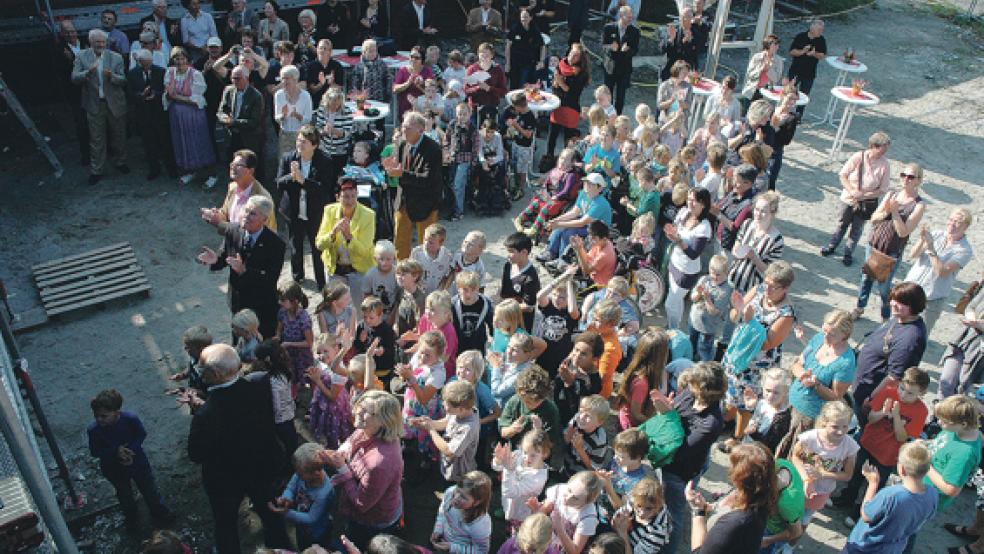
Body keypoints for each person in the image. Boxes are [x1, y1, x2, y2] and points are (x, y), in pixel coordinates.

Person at [187, 344, 290, 552]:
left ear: (215, 374)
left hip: (225, 479)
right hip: (261, 467)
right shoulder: (260, 383)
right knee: (271, 515)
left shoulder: (206, 415)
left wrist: (200, 410)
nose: (199, 372)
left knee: (225, 525)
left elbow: (196, 454)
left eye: (201, 369)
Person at [648, 362, 725, 554]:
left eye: (693, 383)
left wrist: (665, 414)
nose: (688, 386)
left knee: (673, 515)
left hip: (679, 471)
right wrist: (669, 408)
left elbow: (680, 450)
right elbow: (677, 408)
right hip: (673, 461)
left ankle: (669, 550)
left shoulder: (710, 423)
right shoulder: (692, 394)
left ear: (704, 390)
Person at [322, 390, 404, 548]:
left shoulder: (380, 463)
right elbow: (352, 440)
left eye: (367, 411)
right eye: (361, 406)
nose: (358, 411)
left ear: (385, 420)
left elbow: (361, 504)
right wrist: (343, 450)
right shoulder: (368, 429)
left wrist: (342, 469)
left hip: (373, 521)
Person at [197, 195, 286, 339]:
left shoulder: (275, 244)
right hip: (238, 303)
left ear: (265, 219)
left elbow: (270, 279)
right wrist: (215, 261)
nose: (246, 216)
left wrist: (245, 271)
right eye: (246, 211)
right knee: (238, 345)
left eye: (252, 213)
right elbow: (224, 256)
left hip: (261, 307)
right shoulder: (233, 230)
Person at [88, 389, 174, 523]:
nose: (99, 419)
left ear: (117, 412)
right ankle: (132, 520)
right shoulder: (94, 431)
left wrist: (130, 450)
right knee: (125, 496)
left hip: (138, 463)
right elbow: (95, 451)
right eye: (96, 415)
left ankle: (161, 514)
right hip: (114, 469)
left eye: (104, 416)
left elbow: (141, 434)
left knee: (150, 491)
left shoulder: (130, 419)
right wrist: (115, 451)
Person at [853, 163, 925, 322]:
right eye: (903, 175)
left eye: (910, 176)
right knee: (866, 278)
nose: (906, 179)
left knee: (884, 287)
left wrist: (893, 212)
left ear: (918, 180)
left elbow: (904, 232)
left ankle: (885, 316)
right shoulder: (892, 194)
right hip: (875, 243)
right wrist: (886, 210)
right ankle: (859, 307)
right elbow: (874, 219)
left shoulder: (918, 205)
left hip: (892, 249)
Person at [843, 441, 937, 554]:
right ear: (927, 470)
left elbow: (866, 515)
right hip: (894, 549)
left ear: (902, 469)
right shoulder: (932, 493)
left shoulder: (891, 495)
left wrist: (873, 484)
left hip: (866, 547)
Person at [850, 282, 928, 417]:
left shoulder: (910, 339)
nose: (892, 303)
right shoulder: (900, 318)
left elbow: (894, 378)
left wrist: (871, 401)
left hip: (869, 394)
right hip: (862, 384)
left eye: (900, 302)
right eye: (893, 299)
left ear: (914, 306)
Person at [686, 442, 777, 554]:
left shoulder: (737, 522)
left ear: (741, 476)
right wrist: (705, 506)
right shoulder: (758, 496)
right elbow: (722, 509)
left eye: (734, 465)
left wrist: (698, 512)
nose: (730, 470)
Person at [821, 132, 893, 266]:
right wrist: (852, 191)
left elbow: (883, 189)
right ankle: (832, 246)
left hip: (866, 203)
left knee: (857, 229)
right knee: (841, 223)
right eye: (882, 150)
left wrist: (864, 195)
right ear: (873, 146)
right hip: (848, 199)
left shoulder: (885, 165)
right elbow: (843, 175)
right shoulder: (858, 157)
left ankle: (848, 253)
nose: (883, 153)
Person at [275, 125, 332, 289]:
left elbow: (324, 189)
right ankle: (297, 276)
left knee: (317, 247)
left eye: (304, 142)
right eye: (299, 140)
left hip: (315, 211)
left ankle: (321, 281)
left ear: (314, 145)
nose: (299, 144)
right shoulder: (288, 158)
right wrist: (292, 177)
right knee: (295, 244)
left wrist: (304, 181)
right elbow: (278, 183)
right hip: (293, 210)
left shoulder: (324, 161)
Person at [72, 29, 129, 186]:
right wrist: (87, 73)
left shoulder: (115, 57)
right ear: (91, 42)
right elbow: (74, 77)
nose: (101, 45)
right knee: (96, 139)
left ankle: (121, 162)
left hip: (115, 103)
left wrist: (112, 77)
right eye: (98, 42)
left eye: (103, 42)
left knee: (119, 135)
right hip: (94, 104)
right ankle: (97, 170)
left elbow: (123, 80)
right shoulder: (82, 56)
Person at [903, 208, 974, 334]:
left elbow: (942, 272)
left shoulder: (964, 250)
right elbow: (913, 254)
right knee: (896, 326)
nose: (952, 224)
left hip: (931, 298)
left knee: (918, 334)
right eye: (951, 220)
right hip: (910, 288)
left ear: (966, 226)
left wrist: (931, 248)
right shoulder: (936, 234)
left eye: (957, 222)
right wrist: (922, 240)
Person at [385, 111, 444, 260]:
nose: (403, 130)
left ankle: (427, 273)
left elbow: (428, 179)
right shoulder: (401, 143)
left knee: (428, 243)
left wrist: (402, 174)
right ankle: (402, 273)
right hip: (403, 200)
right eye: (403, 126)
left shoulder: (434, 149)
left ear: (421, 130)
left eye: (408, 127)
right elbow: (397, 166)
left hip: (426, 203)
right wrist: (390, 169)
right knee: (400, 241)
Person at [315, 179, 377, 306]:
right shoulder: (329, 211)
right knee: (336, 308)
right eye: (345, 197)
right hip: (335, 269)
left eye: (353, 196)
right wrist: (332, 234)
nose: (350, 201)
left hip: (358, 270)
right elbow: (319, 244)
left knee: (359, 310)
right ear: (337, 197)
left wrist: (349, 237)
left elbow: (364, 252)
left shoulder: (368, 215)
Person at [164, 46, 216, 184]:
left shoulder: (195, 74)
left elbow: (196, 99)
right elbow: (168, 94)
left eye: (182, 58)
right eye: (177, 59)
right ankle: (190, 171)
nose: (180, 61)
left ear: (187, 59)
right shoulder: (169, 73)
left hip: (193, 115)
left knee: (199, 142)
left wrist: (177, 97)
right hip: (176, 115)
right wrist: (173, 96)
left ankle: (210, 174)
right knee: (182, 143)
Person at [269, 442, 334, 549]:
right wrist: (286, 498)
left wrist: (287, 513)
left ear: (316, 473)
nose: (296, 474)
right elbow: (291, 487)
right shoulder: (302, 473)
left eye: (300, 473)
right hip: (301, 524)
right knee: (302, 545)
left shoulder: (323, 493)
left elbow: (311, 518)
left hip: (318, 531)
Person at [664, 188, 713, 329]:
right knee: (676, 302)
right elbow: (675, 229)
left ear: (703, 204)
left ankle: (672, 330)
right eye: (689, 199)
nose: (690, 203)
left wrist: (678, 240)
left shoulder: (704, 227)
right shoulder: (684, 212)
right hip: (674, 262)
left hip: (686, 271)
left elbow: (694, 253)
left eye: (694, 200)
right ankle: (674, 325)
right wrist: (671, 232)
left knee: (670, 303)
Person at [537, 173, 612, 264]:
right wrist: (556, 220)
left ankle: (562, 260)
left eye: (591, 184)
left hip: (598, 230)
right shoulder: (583, 194)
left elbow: (582, 222)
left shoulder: (600, 203)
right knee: (560, 228)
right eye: (586, 182)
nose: (586, 185)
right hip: (588, 224)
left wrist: (558, 224)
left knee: (569, 233)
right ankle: (550, 252)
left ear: (599, 188)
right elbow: (574, 212)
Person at [127, 49, 177, 181]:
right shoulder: (132, 74)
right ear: (139, 62)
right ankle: (154, 169)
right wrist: (141, 95)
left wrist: (156, 94)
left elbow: (167, 90)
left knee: (166, 142)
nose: (146, 66)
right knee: (149, 143)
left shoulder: (160, 71)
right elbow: (129, 94)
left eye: (148, 63)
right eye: (144, 64)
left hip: (159, 112)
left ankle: (171, 168)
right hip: (143, 114)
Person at [729, 191, 784, 294]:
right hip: (732, 277)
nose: (758, 214)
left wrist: (754, 257)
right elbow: (735, 249)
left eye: (763, 211)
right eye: (757, 209)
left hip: (751, 288)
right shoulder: (747, 224)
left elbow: (769, 271)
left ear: (773, 213)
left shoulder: (776, 240)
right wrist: (738, 252)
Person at [544, 43, 591, 164]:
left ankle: (567, 162)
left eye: (575, 56)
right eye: (571, 53)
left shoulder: (581, 73)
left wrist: (560, 82)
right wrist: (556, 83)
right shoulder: (562, 64)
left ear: (580, 59)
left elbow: (572, 93)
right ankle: (549, 158)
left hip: (571, 108)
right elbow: (556, 85)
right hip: (558, 105)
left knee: (568, 139)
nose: (571, 57)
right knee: (552, 135)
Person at [939, 280, 984, 397]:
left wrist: (978, 325)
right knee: (946, 381)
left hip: (979, 351)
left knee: (964, 389)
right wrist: (971, 317)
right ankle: (938, 412)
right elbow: (971, 306)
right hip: (963, 338)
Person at [217, 66, 265, 177]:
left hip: (249, 137)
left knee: (251, 167)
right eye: (233, 78)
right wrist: (223, 118)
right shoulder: (228, 90)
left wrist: (233, 122)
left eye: (238, 78)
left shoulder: (256, 96)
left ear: (247, 78)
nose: (234, 81)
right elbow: (221, 110)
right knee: (233, 163)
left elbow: (254, 122)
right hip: (232, 135)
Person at [432, 471, 493, 552]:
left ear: (477, 502)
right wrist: (438, 529)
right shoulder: (450, 492)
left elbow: (481, 551)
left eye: (463, 497)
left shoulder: (480, 524)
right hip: (445, 541)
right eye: (457, 490)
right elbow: (443, 511)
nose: (456, 498)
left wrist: (452, 548)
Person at [602, 6, 639, 115]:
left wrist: (627, 51)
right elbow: (603, 46)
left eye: (631, 17)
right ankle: (606, 117)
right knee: (608, 95)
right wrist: (610, 47)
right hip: (610, 68)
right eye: (628, 17)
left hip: (624, 69)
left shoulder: (635, 31)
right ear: (621, 16)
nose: (630, 19)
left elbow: (635, 50)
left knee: (620, 97)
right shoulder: (608, 28)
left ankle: (617, 118)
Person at [313, 87, 353, 187]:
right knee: (325, 178)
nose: (335, 106)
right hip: (325, 150)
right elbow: (318, 127)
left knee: (337, 178)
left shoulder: (346, 111)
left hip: (340, 151)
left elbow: (348, 132)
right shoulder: (322, 109)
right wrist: (323, 131)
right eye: (332, 103)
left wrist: (335, 131)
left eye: (337, 103)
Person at [787, 19, 826, 116]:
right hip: (795, 71)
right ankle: (785, 112)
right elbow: (791, 52)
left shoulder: (821, 40)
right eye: (819, 30)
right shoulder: (800, 37)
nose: (821, 32)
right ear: (812, 27)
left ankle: (798, 116)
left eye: (822, 30)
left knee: (804, 96)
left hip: (809, 73)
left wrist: (814, 54)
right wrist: (802, 52)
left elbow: (823, 55)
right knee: (789, 93)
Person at [464, 42, 508, 125]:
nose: (484, 57)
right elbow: (466, 91)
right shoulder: (472, 69)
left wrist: (489, 88)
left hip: (492, 108)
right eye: (482, 54)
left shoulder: (497, 70)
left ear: (492, 56)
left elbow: (503, 92)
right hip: (475, 108)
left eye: (487, 55)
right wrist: (477, 88)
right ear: (478, 55)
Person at [273, 65, 313, 157]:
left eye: (287, 78)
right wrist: (283, 115)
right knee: (284, 162)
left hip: (301, 135)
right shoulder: (278, 95)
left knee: (300, 161)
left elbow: (308, 119)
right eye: (282, 78)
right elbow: (276, 118)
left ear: (295, 80)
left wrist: (297, 116)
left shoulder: (305, 96)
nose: (284, 81)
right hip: (285, 135)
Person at [506, 8, 547, 89]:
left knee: (524, 85)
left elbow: (542, 45)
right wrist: (507, 63)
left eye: (526, 17)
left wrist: (542, 61)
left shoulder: (535, 29)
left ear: (531, 17)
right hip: (515, 62)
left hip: (529, 63)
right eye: (522, 17)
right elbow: (508, 46)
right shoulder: (515, 28)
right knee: (513, 86)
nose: (524, 19)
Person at [301, 38, 344, 109]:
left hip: (332, 104)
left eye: (325, 49)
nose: (322, 51)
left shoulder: (337, 66)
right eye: (320, 48)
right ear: (317, 50)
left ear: (330, 52)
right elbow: (311, 90)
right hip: (314, 103)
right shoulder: (309, 66)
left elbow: (339, 88)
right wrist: (321, 84)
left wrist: (331, 84)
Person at [392, 46, 432, 118]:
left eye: (417, 58)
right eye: (411, 56)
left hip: (422, 110)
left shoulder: (427, 71)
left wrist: (422, 84)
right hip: (405, 110)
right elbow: (395, 89)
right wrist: (407, 83)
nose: (413, 59)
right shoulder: (402, 70)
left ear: (422, 59)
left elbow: (432, 91)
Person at [742, 35, 784, 101]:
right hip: (752, 90)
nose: (777, 47)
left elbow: (776, 79)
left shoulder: (779, 61)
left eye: (778, 44)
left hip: (766, 93)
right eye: (775, 44)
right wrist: (761, 69)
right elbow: (749, 74)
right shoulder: (756, 57)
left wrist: (768, 70)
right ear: (768, 45)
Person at [661, 6, 698, 81]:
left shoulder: (696, 34)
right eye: (682, 16)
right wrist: (671, 39)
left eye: (687, 17)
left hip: (686, 74)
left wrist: (688, 42)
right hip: (670, 71)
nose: (683, 19)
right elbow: (663, 49)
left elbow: (694, 55)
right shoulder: (673, 29)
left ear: (692, 19)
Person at [351, 39, 391, 105]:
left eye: (375, 51)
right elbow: (355, 84)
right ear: (364, 52)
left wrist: (388, 95)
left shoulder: (382, 64)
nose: (373, 53)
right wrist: (358, 98)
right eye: (370, 51)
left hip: (380, 99)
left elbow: (388, 79)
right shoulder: (359, 66)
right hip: (364, 100)